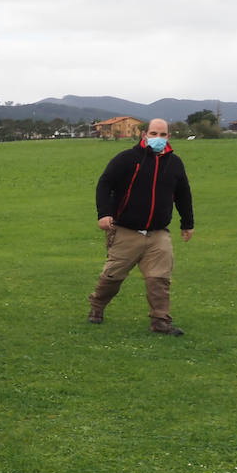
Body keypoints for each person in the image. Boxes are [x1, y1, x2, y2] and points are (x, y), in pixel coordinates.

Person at [87, 118, 194, 334]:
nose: (158, 138)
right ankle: (97, 307)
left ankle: (160, 321)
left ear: (169, 137)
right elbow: (104, 183)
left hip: (158, 233)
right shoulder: (127, 159)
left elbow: (183, 194)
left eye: (163, 135)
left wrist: (187, 223)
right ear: (144, 134)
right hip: (126, 231)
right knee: (112, 277)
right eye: (154, 133)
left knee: (159, 279)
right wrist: (104, 213)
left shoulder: (175, 164)